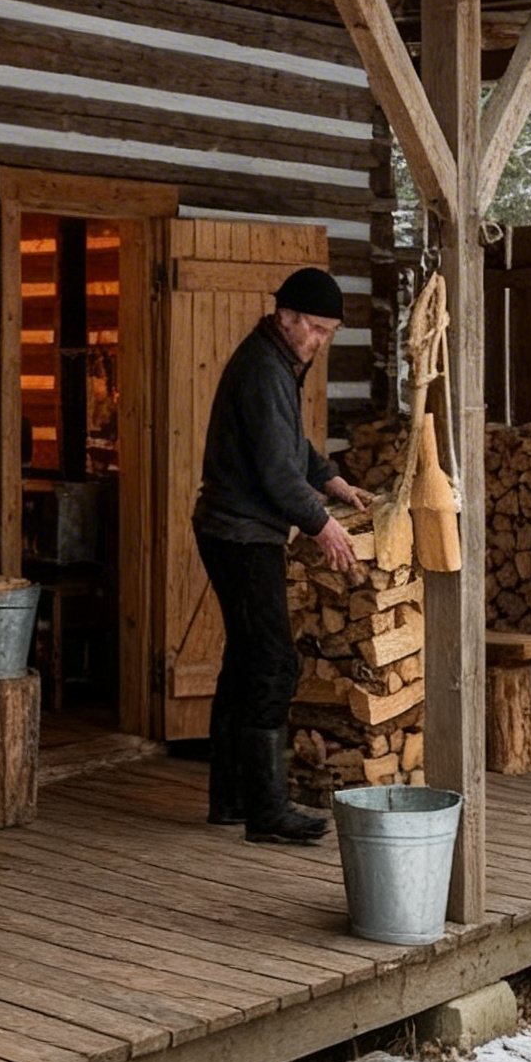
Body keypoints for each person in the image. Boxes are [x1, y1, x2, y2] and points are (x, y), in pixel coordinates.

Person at [193, 266, 371, 842]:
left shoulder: (279, 363)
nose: (320, 340)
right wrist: (323, 524)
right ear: (286, 315)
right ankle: (267, 812)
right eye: (315, 328)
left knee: (245, 662)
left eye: (329, 333)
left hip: (237, 530)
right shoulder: (264, 369)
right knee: (274, 664)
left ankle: (231, 799)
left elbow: (292, 446)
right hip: (241, 534)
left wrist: (331, 479)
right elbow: (274, 472)